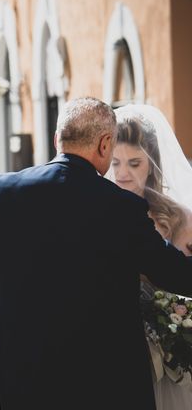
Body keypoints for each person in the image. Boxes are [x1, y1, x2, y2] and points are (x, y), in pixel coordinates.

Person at [0, 97, 192, 410]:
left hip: (22, 368)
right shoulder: (122, 208)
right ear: (104, 144)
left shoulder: (3, 189)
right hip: (101, 372)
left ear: (58, 139)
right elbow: (174, 273)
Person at [109, 104, 192, 408]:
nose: (122, 174)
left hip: (172, 355)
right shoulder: (100, 214)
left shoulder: (180, 218)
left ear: (152, 164)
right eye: (115, 162)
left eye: (134, 163)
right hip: (114, 354)